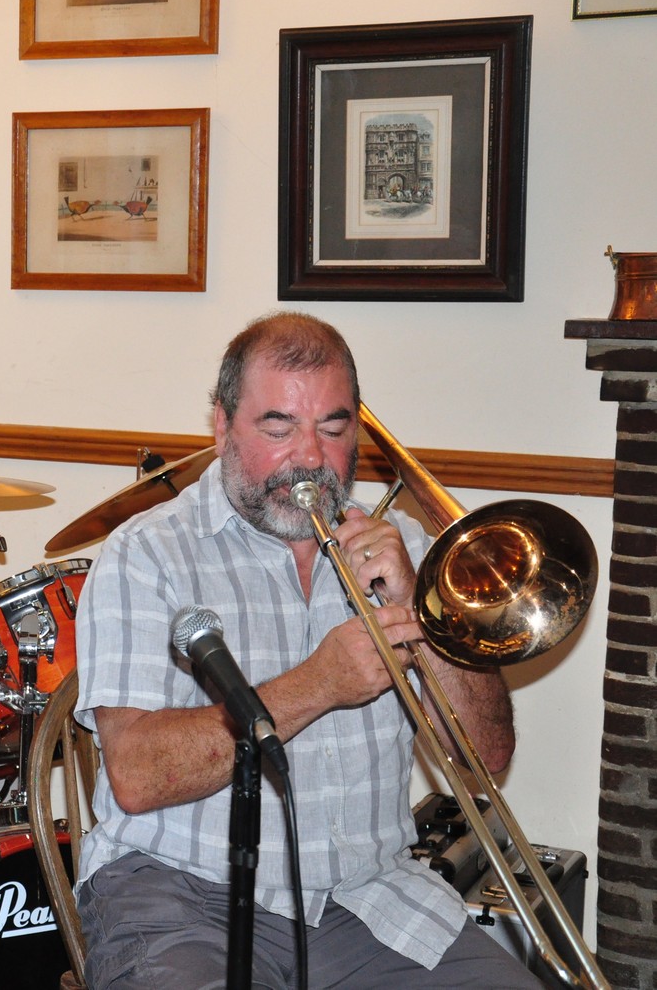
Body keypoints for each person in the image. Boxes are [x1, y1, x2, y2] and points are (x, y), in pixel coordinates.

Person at [73, 312, 537, 989]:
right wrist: (318, 684)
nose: (311, 458)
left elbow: (485, 760)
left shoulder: (397, 548)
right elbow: (138, 776)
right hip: (182, 895)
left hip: (366, 898)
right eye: (278, 426)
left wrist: (424, 611)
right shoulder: (148, 553)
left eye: (333, 427)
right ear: (222, 425)